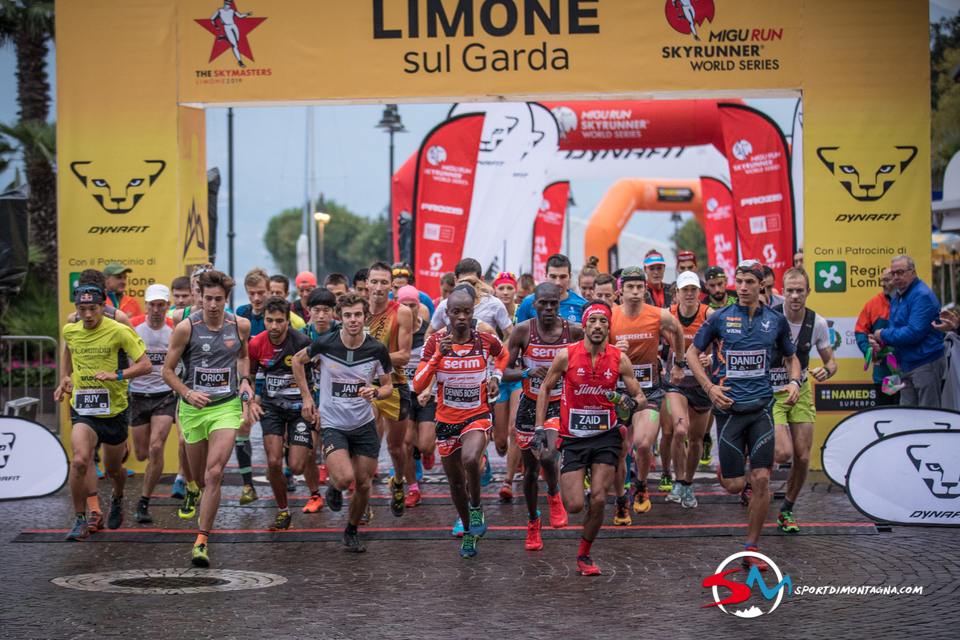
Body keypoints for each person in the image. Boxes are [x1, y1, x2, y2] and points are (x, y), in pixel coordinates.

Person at [686, 260, 801, 571]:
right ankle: (734, 467)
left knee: (762, 479)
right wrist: (709, 387)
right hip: (729, 411)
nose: (744, 287)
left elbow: (793, 359)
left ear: (761, 285)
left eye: (750, 281)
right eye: (740, 281)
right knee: (736, 485)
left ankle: (752, 547)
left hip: (762, 408)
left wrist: (794, 381)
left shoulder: (775, 321)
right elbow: (691, 355)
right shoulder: (721, 318)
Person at [535, 300, 646, 574]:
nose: (598, 326)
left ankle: (584, 555)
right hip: (572, 437)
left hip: (606, 435)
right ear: (584, 325)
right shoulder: (566, 355)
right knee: (574, 506)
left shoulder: (619, 359)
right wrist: (539, 427)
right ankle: (576, 489)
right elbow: (545, 388)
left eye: (603, 321)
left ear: (609, 327)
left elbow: (640, 397)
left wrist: (627, 404)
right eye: (593, 321)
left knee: (598, 498)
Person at [161, 270, 254, 567]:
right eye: (207, 299)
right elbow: (167, 371)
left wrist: (245, 381)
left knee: (214, 473)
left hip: (225, 407)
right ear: (199, 297)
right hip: (193, 409)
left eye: (219, 300)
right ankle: (191, 487)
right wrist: (188, 394)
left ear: (227, 299)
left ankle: (201, 540)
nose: (213, 305)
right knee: (200, 477)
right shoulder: (186, 328)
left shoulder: (240, 325)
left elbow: (242, 357)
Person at [292, 292, 394, 553]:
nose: (353, 320)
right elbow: (296, 360)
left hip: (364, 425)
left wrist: (376, 393)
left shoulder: (376, 349)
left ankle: (351, 530)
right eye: (347, 315)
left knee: (363, 484)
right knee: (345, 478)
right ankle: (334, 488)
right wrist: (307, 398)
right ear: (341, 317)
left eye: (358, 314)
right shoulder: (326, 343)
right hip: (333, 424)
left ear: (365, 316)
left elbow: (388, 388)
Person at [413, 288, 508, 559]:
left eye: (467, 311)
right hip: (445, 420)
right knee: (455, 484)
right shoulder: (433, 342)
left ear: (473, 312)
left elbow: (503, 354)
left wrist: (496, 377)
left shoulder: (485, 340)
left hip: (476, 415)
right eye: (456, 312)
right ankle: (468, 530)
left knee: (470, 460)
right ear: (447, 314)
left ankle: (476, 506)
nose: (462, 317)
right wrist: (436, 358)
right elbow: (418, 383)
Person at [57, 284, 152, 541]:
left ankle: (118, 496)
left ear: (103, 307)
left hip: (115, 409)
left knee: (113, 470)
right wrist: (64, 378)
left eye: (93, 308)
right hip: (84, 408)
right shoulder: (71, 330)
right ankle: (80, 519)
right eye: (82, 309)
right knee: (79, 460)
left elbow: (145, 365)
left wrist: (117, 374)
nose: (87, 315)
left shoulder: (119, 330)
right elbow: (69, 351)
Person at [503, 283, 583, 548]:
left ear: (559, 304)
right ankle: (533, 522)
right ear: (533, 304)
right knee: (529, 471)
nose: (548, 308)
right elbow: (504, 371)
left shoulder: (573, 331)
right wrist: (527, 373)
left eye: (553, 304)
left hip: (559, 404)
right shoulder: (523, 330)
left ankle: (553, 493)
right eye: (543, 304)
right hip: (530, 403)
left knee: (548, 455)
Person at [609, 266, 685, 519]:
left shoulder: (658, 314)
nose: (634, 292)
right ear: (620, 291)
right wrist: (611, 348)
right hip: (618, 394)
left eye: (639, 287)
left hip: (649, 392)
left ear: (645, 290)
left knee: (642, 444)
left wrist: (679, 362)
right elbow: (594, 347)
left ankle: (641, 485)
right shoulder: (610, 315)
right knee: (619, 451)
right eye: (629, 287)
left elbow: (678, 330)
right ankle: (621, 498)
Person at [772, 268, 837, 533]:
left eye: (800, 290)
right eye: (790, 290)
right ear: (783, 291)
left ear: (808, 291)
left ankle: (786, 509)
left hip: (802, 390)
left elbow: (831, 362)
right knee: (782, 452)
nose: (795, 296)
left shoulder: (817, 323)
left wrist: (827, 371)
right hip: (772, 390)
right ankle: (757, 470)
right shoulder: (770, 318)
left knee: (801, 456)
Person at [247, 297, 318, 531]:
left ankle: (292, 441)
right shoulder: (256, 344)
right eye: (269, 320)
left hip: (299, 410)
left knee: (296, 467)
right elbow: (248, 379)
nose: (274, 326)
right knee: (274, 462)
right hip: (272, 407)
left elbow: (317, 375)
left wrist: (315, 404)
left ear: (288, 320)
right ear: (264, 320)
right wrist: (250, 403)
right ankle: (283, 512)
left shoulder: (302, 341)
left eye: (279, 321)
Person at [366, 261, 416, 516]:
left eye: (384, 282)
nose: (378, 287)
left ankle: (397, 482)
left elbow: (405, 356)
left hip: (396, 384)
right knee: (368, 445)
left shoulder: (402, 312)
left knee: (397, 449)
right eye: (374, 281)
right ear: (366, 283)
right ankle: (362, 500)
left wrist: (371, 356)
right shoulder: (357, 312)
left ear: (392, 286)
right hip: (366, 387)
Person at [662, 272, 714, 509]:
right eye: (685, 290)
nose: (690, 294)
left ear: (699, 292)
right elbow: (654, 340)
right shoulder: (668, 314)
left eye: (694, 289)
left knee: (696, 440)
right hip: (677, 383)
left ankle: (688, 483)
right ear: (677, 293)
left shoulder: (709, 314)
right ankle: (677, 480)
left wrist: (712, 357)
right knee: (679, 430)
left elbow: (726, 342)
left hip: (701, 384)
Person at [128, 285, 179, 524]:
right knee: (140, 454)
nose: (156, 310)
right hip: (137, 395)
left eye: (161, 305)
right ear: (146, 305)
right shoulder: (132, 325)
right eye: (152, 305)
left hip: (164, 394)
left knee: (157, 447)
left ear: (168, 306)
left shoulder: (174, 329)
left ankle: (144, 501)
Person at [870, 255, 947, 407]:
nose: (896, 277)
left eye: (900, 272)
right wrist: (878, 340)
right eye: (893, 273)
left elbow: (914, 332)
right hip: (905, 364)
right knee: (907, 415)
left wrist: (883, 334)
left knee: (927, 416)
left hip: (925, 363)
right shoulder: (898, 295)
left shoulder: (921, 295)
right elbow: (895, 329)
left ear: (913, 272)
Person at [234, 268, 273, 504]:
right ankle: (248, 485)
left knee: (278, 434)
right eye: (251, 294)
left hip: (274, 381)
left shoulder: (276, 313)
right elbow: (239, 353)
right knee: (243, 423)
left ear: (269, 290)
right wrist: (244, 381)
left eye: (261, 293)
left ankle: (282, 470)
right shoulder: (240, 314)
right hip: (249, 379)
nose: (257, 299)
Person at [397, 285, 437, 509]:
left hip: (426, 394)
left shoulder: (428, 331)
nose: (410, 310)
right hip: (404, 394)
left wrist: (429, 390)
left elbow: (435, 363)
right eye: (405, 305)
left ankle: (426, 452)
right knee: (406, 443)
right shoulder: (395, 332)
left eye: (413, 305)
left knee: (425, 445)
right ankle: (413, 488)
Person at [301, 287, 342, 494]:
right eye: (317, 310)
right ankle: (314, 494)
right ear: (308, 311)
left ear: (333, 311)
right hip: (311, 399)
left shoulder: (343, 332)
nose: (321, 315)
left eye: (326, 310)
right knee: (308, 452)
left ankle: (336, 484)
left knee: (334, 450)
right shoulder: (301, 336)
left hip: (338, 401)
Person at [492, 271, 523, 500]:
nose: (505, 292)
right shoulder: (490, 314)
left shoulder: (522, 314)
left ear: (515, 291)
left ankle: (508, 481)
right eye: (501, 288)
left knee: (515, 428)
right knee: (500, 438)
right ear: (495, 290)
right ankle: (503, 446)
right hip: (497, 378)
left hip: (518, 377)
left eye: (509, 288)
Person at [427, 260, 514, 338]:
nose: (467, 285)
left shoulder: (494, 303)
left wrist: (497, 355)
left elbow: (511, 337)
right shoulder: (445, 304)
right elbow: (429, 334)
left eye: (472, 282)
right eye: (462, 281)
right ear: (455, 280)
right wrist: (437, 354)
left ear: (482, 280)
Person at [516, 254, 587, 324]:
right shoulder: (529, 302)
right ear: (546, 276)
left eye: (563, 277)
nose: (558, 282)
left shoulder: (582, 305)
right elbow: (518, 333)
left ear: (570, 277)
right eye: (553, 277)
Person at [855, 268, 894, 386]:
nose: (882, 284)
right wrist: (870, 352)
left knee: (905, 403)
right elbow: (860, 331)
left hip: (908, 371)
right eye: (882, 280)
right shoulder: (874, 304)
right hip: (884, 375)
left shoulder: (908, 301)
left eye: (886, 280)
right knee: (887, 403)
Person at [210, 0, 252, 67]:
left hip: (234, 26)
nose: (228, 6)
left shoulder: (232, 11)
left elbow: (240, 16)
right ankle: (240, 61)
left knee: (236, 41)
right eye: (226, 4)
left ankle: (222, 37)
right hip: (227, 27)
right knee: (235, 45)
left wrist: (247, 14)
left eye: (229, 5)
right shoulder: (220, 11)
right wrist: (216, 26)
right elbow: (212, 18)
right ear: (224, 4)